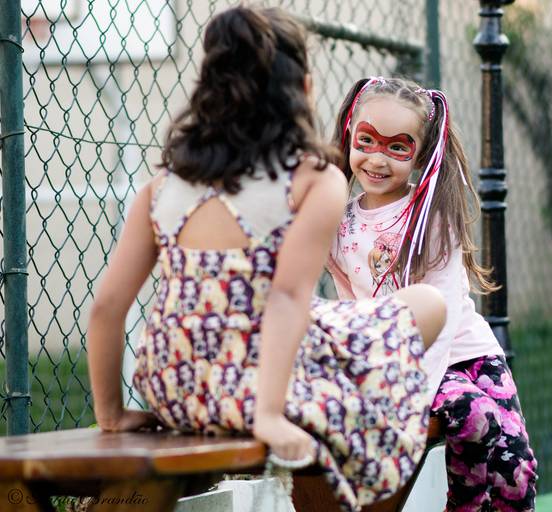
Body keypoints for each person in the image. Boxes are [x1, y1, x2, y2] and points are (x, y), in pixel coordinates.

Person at [86, 9, 446, 511]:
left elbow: (106, 306)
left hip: (175, 388)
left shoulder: (162, 186)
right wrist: (269, 416)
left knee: (335, 322)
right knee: (428, 305)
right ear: (303, 89)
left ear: (208, 92)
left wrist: (111, 414)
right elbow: (286, 296)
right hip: (259, 387)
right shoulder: (313, 180)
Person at [327, 77, 538, 511]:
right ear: (349, 135)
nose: (377, 159)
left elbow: (441, 309)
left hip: (469, 354)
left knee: (516, 474)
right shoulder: (338, 224)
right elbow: (353, 306)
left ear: (420, 154)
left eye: (397, 147)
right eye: (366, 141)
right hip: (406, 359)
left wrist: (414, 389)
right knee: (474, 417)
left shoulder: (431, 214)